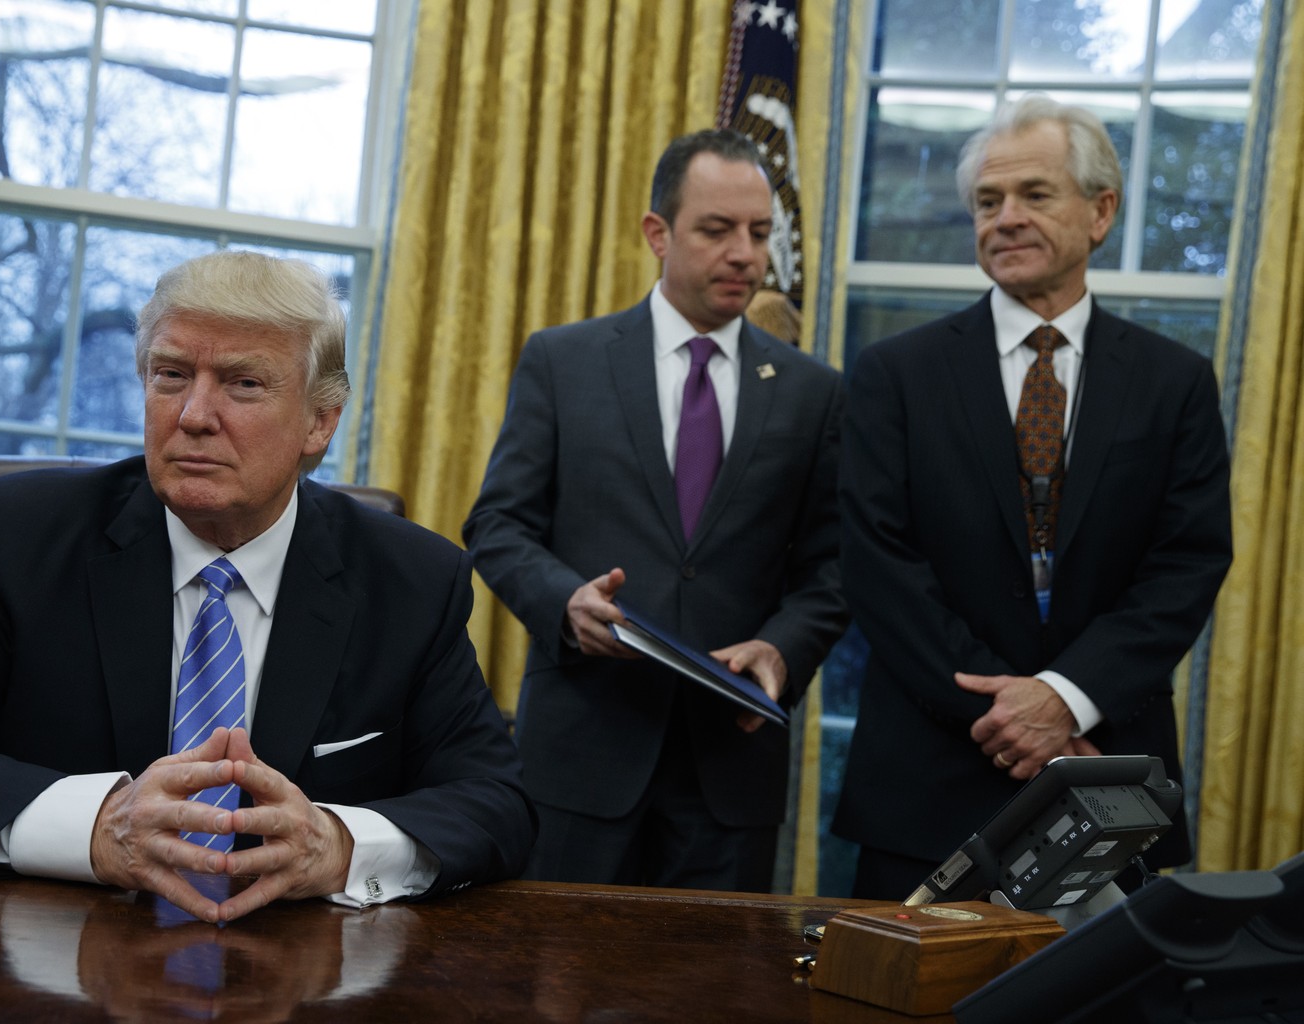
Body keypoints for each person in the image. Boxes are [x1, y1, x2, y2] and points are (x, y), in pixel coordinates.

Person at [0, 251, 536, 923]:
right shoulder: (22, 536)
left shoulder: (410, 580)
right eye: (170, 374)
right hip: (47, 957)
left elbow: (496, 803)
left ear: (320, 422)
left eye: (244, 383)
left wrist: (340, 846)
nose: (194, 414)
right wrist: (96, 827)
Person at [832, 95, 1233, 899]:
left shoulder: (1173, 383)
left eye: (1034, 195)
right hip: (929, 782)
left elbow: (1185, 565)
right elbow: (878, 564)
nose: (1006, 217)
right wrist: (1017, 719)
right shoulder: (893, 375)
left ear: (1101, 211)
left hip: (1104, 775)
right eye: (988, 201)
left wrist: (1066, 699)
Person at [463, 129, 846, 892]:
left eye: (760, 233)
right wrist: (564, 602)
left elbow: (832, 567)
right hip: (582, 757)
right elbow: (498, 525)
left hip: (730, 771)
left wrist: (781, 650)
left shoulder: (814, 392)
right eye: (717, 230)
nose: (744, 253)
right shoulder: (564, 361)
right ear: (657, 233)